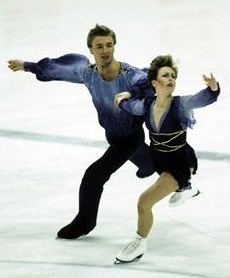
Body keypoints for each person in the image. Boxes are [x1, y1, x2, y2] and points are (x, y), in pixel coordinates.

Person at [7, 24, 157, 239]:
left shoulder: (130, 74)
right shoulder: (87, 73)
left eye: (109, 45)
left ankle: (85, 222)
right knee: (147, 161)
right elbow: (56, 69)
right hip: (113, 135)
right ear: (91, 50)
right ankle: (150, 164)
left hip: (130, 136)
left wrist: (132, 92)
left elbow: (147, 85)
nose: (105, 50)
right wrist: (27, 66)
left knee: (94, 175)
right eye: (99, 46)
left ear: (114, 46)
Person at [114, 54, 220, 263]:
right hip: (159, 159)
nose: (171, 79)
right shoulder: (147, 104)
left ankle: (139, 243)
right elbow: (130, 106)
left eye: (173, 76)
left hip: (179, 164)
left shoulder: (180, 105)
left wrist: (213, 89)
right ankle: (185, 189)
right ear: (155, 82)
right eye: (165, 75)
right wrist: (122, 101)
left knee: (144, 202)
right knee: (125, 141)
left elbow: (202, 99)